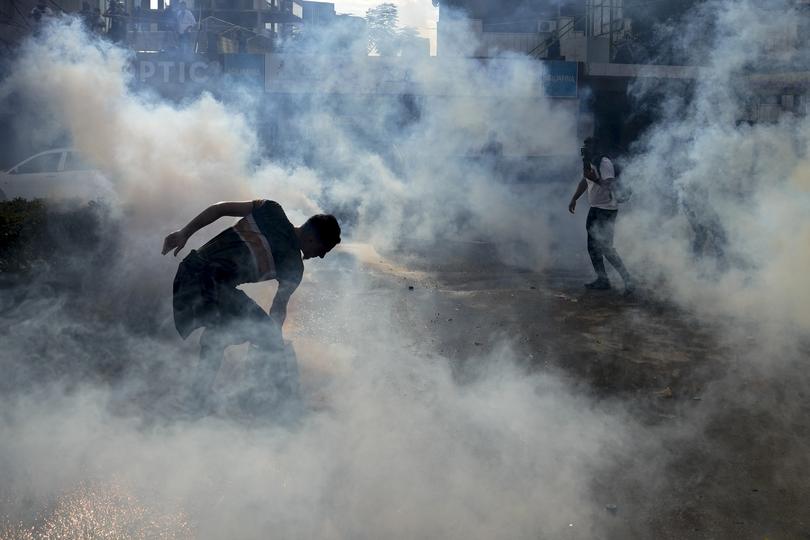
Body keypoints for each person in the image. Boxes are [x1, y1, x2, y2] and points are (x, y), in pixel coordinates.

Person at [162, 200, 341, 415]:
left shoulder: (271, 209)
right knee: (260, 333)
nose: (321, 256)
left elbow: (219, 209)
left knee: (219, 336)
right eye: (324, 249)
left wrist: (185, 232)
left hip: (189, 276)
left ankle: (198, 398)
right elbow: (278, 307)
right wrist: (273, 340)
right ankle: (265, 401)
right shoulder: (293, 265)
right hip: (207, 283)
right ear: (313, 238)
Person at [568, 138, 634, 294]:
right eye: (585, 146)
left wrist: (595, 179)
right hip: (595, 208)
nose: (585, 149)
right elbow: (585, 181)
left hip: (607, 209)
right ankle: (602, 279)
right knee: (592, 247)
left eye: (589, 146)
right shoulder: (590, 161)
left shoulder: (604, 162)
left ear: (596, 148)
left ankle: (628, 280)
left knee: (606, 248)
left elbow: (610, 185)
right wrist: (574, 198)